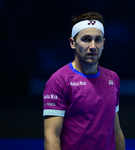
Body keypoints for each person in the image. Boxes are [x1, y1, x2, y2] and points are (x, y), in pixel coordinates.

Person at [43, 11, 125, 150]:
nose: (93, 46)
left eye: (98, 39)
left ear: (103, 43)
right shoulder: (59, 80)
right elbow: (51, 135)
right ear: (72, 43)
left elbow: (116, 129)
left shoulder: (113, 78)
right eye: (86, 39)